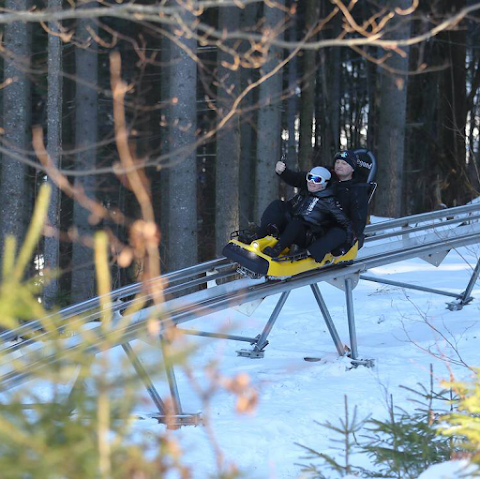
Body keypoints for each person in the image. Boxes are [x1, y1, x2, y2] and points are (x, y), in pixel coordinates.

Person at [241, 157, 356, 261]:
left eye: (317, 180)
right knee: (278, 205)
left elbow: (346, 224)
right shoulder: (307, 190)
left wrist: (346, 245)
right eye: (310, 177)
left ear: (325, 183)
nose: (311, 182)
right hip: (292, 225)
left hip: (307, 234)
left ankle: (276, 249)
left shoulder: (330, 201)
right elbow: (294, 178)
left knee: (297, 222)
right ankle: (258, 235)